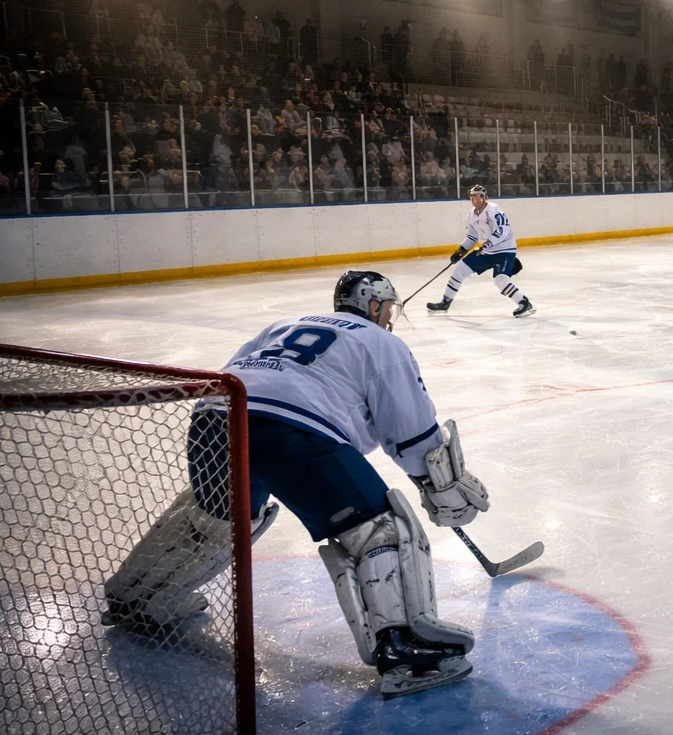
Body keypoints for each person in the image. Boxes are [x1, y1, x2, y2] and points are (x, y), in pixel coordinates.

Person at [104, 271, 492, 698]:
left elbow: (233, 373)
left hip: (214, 420)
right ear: (376, 307)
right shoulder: (383, 343)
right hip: (292, 433)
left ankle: (142, 597)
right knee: (381, 529)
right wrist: (439, 485)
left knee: (216, 519)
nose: (390, 317)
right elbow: (411, 429)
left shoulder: (284, 325)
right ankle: (403, 647)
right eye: (389, 308)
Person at [428, 184, 533, 316]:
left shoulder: (493, 210)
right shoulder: (471, 215)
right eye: (472, 196)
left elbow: (502, 230)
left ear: (484, 197)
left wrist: (487, 244)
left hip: (504, 250)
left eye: (478, 196)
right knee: (460, 268)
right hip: (486, 251)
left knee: (500, 280)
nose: (474, 199)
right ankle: (445, 302)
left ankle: (524, 303)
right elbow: (472, 237)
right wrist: (461, 251)